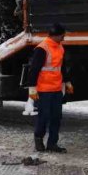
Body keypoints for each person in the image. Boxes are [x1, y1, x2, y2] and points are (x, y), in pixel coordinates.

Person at [28, 23, 73, 152]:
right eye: (62, 35)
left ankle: (52, 143)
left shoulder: (60, 47)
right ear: (56, 35)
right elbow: (34, 69)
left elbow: (61, 67)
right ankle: (38, 139)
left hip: (56, 89)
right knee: (44, 116)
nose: (64, 38)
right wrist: (32, 87)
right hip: (44, 91)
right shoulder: (42, 49)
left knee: (56, 117)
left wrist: (67, 81)